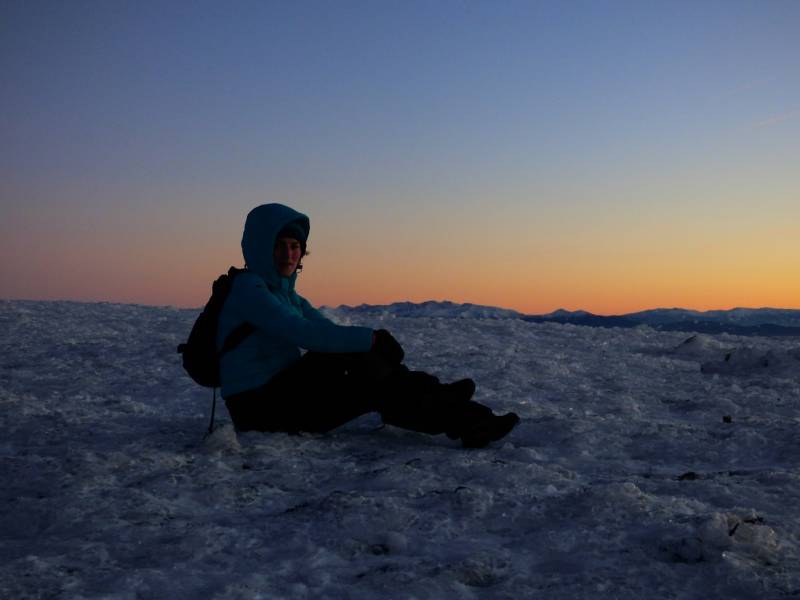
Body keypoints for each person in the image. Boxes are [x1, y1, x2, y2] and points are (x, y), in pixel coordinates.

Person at [218, 203, 519, 448]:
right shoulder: (248, 289)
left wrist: (371, 343)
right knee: (365, 369)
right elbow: (304, 333)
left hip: (281, 395)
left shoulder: (286, 294)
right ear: (260, 248)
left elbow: (328, 331)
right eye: (279, 246)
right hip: (258, 409)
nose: (289, 255)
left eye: (295, 246)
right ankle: (444, 403)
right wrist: (372, 340)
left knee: (371, 374)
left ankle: (461, 414)